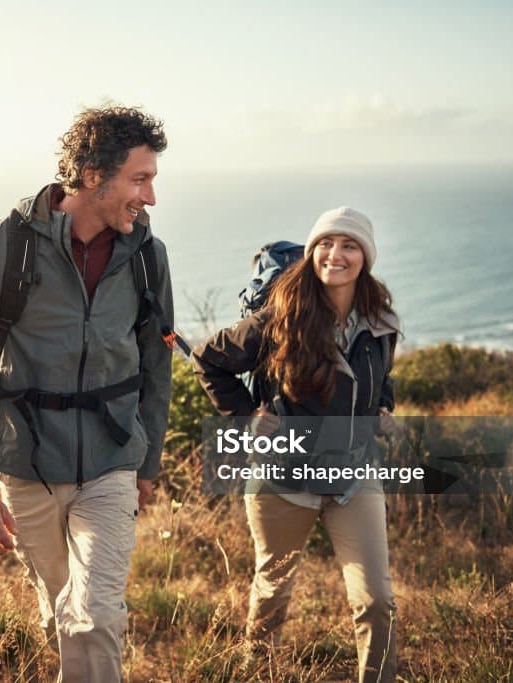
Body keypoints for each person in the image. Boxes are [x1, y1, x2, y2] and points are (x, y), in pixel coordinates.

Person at [0, 106, 174, 682]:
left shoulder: (146, 256)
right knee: (60, 612)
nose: (152, 197)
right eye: (140, 179)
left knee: (94, 615)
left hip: (113, 459)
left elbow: (155, 368)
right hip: (24, 463)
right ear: (92, 175)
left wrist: (149, 461)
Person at [192, 207, 401, 683]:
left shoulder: (381, 321)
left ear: (364, 257)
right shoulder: (279, 317)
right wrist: (247, 418)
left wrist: (382, 408)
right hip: (282, 480)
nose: (336, 254)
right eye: (326, 244)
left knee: (376, 600)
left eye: (349, 245)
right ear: (312, 253)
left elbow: (382, 376)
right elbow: (209, 359)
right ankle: (256, 673)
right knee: (273, 594)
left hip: (354, 477)